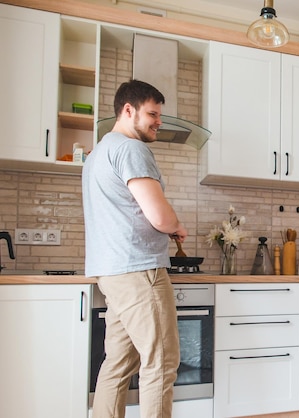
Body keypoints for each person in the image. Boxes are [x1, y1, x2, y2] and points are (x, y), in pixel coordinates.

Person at [82, 79, 187, 418]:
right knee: (161, 362)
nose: (158, 122)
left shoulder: (98, 153)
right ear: (128, 110)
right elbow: (159, 215)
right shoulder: (130, 148)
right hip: (139, 270)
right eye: (152, 114)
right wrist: (176, 225)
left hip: (112, 272)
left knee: (118, 364)